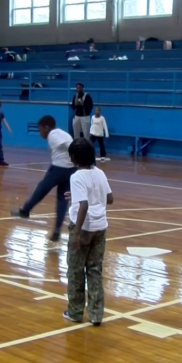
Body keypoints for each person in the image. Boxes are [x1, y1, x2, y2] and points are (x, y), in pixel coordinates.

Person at [63, 138, 113, 325]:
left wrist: (76, 234)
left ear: (75, 157)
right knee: (94, 270)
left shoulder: (76, 176)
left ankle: (75, 312)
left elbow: (83, 205)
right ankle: (96, 314)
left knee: (75, 271)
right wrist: (79, 195)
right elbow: (110, 198)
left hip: (83, 228)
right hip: (100, 228)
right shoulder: (99, 173)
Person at [11, 115, 75, 242]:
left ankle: (25, 210)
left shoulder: (53, 134)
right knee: (62, 200)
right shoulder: (63, 133)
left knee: (41, 189)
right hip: (71, 169)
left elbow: (68, 145)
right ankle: (57, 230)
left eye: (40, 130)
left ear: (46, 127)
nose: (40, 133)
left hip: (59, 168)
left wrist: (76, 151)